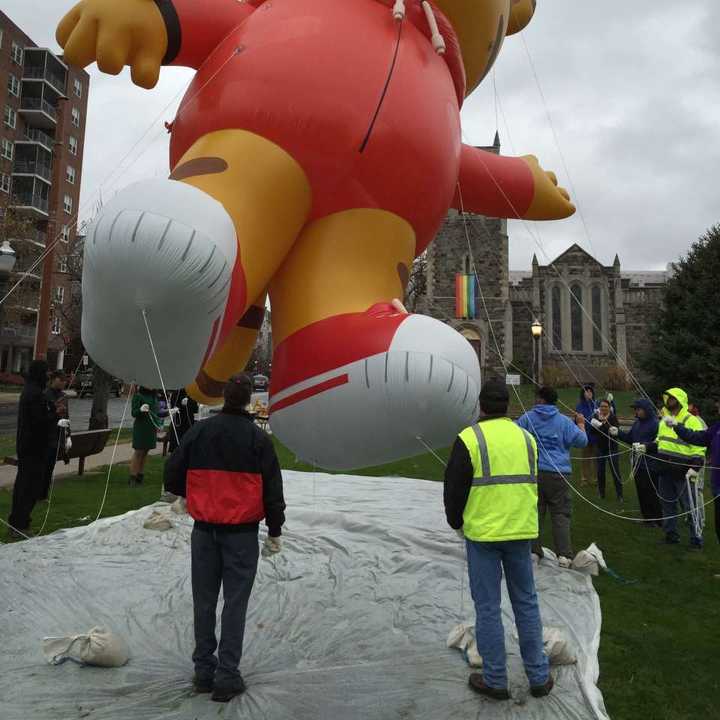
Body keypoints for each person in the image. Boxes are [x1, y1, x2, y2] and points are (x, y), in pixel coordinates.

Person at [164, 373, 285, 703]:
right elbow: (273, 491)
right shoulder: (257, 440)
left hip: (204, 532)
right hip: (241, 536)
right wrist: (275, 531)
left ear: (223, 397)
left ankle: (204, 671)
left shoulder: (200, 431)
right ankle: (227, 675)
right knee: (235, 604)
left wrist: (192, 493)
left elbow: (172, 473)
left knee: (204, 602)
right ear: (247, 400)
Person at [444, 380, 553, 701]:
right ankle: (538, 676)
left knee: (488, 606)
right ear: (507, 405)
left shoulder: (469, 439)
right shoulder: (526, 438)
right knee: (526, 602)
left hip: (483, 536)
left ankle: (495, 679)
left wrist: (456, 522)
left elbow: (454, 489)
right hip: (520, 532)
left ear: (481, 405)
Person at [517, 386, 588, 567]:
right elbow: (582, 440)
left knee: (534, 513)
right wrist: (581, 424)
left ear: (541, 399)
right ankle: (563, 556)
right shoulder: (563, 422)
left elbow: (514, 436)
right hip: (559, 474)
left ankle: (533, 551)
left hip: (533, 473)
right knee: (560, 515)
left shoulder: (527, 419)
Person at [637, 387, 705, 548]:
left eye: (672, 398)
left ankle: (696, 539)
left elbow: (699, 448)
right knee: (667, 504)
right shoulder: (664, 421)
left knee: (690, 507)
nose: (669, 401)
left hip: (684, 471)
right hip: (664, 469)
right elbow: (661, 442)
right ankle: (671, 535)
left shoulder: (691, 421)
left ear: (680, 400)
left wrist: (695, 467)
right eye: (668, 398)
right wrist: (646, 447)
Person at [7, 360, 54, 538]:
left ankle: (19, 522)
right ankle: (19, 524)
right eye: (46, 372)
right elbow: (39, 422)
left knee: (25, 486)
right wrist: (54, 414)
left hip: (28, 446)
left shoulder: (32, 390)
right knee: (28, 488)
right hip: (33, 448)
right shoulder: (34, 394)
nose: (48, 376)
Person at [671, 398, 720, 551]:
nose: (717, 406)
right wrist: (677, 427)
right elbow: (698, 437)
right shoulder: (717, 427)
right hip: (717, 485)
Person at [611, 399, 661, 524]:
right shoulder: (637, 423)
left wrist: (646, 447)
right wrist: (618, 433)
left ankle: (658, 519)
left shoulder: (656, 424)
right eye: (636, 409)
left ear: (646, 410)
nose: (636, 411)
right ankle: (647, 518)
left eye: (638, 409)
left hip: (650, 465)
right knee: (641, 491)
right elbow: (630, 439)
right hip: (638, 463)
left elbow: (660, 444)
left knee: (652, 492)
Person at [43, 370, 70, 501]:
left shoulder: (64, 396)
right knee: (44, 466)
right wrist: (55, 411)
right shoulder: (46, 395)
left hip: (58, 435)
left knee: (49, 467)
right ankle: (39, 493)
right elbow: (43, 416)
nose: (64, 382)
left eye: (65, 380)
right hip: (46, 435)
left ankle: (44, 493)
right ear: (54, 380)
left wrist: (68, 435)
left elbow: (67, 416)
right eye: (61, 380)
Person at [590, 399, 622, 501]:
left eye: (605, 406)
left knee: (615, 471)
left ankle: (619, 494)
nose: (603, 408)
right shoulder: (595, 417)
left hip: (612, 448)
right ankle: (601, 493)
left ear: (609, 408)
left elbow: (613, 432)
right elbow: (592, 431)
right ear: (599, 408)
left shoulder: (613, 417)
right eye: (602, 406)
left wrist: (602, 424)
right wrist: (598, 425)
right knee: (600, 471)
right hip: (600, 448)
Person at [130, 385, 160, 486]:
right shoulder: (138, 396)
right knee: (138, 451)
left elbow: (157, 413)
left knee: (145, 452)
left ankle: (140, 475)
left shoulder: (154, 397)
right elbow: (134, 413)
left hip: (151, 428)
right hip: (141, 427)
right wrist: (140, 410)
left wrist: (167, 413)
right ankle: (133, 477)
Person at [575, 385, 597, 485]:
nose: (589, 393)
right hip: (585, 434)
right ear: (583, 394)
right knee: (585, 457)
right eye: (586, 391)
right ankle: (584, 478)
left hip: (595, 435)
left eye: (590, 391)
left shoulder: (595, 405)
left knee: (596, 457)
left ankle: (596, 478)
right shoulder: (580, 406)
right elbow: (578, 420)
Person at [168, 389, 199, 453]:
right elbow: (173, 408)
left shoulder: (192, 394)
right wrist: (181, 405)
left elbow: (195, 409)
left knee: (188, 446)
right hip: (178, 423)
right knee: (176, 446)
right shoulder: (176, 393)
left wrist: (189, 404)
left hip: (189, 422)